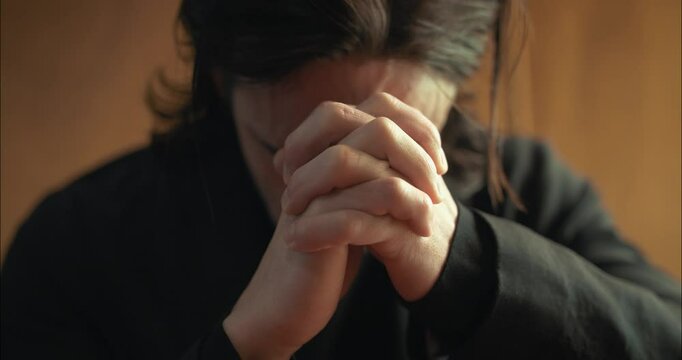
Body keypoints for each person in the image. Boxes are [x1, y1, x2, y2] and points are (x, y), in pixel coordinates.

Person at [2, 0, 680, 359]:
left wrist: (466, 264)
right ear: (219, 78)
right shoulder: (79, 243)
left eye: (399, 144)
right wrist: (250, 348)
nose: (348, 187)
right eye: (295, 152)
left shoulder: (527, 189)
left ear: (452, 92)